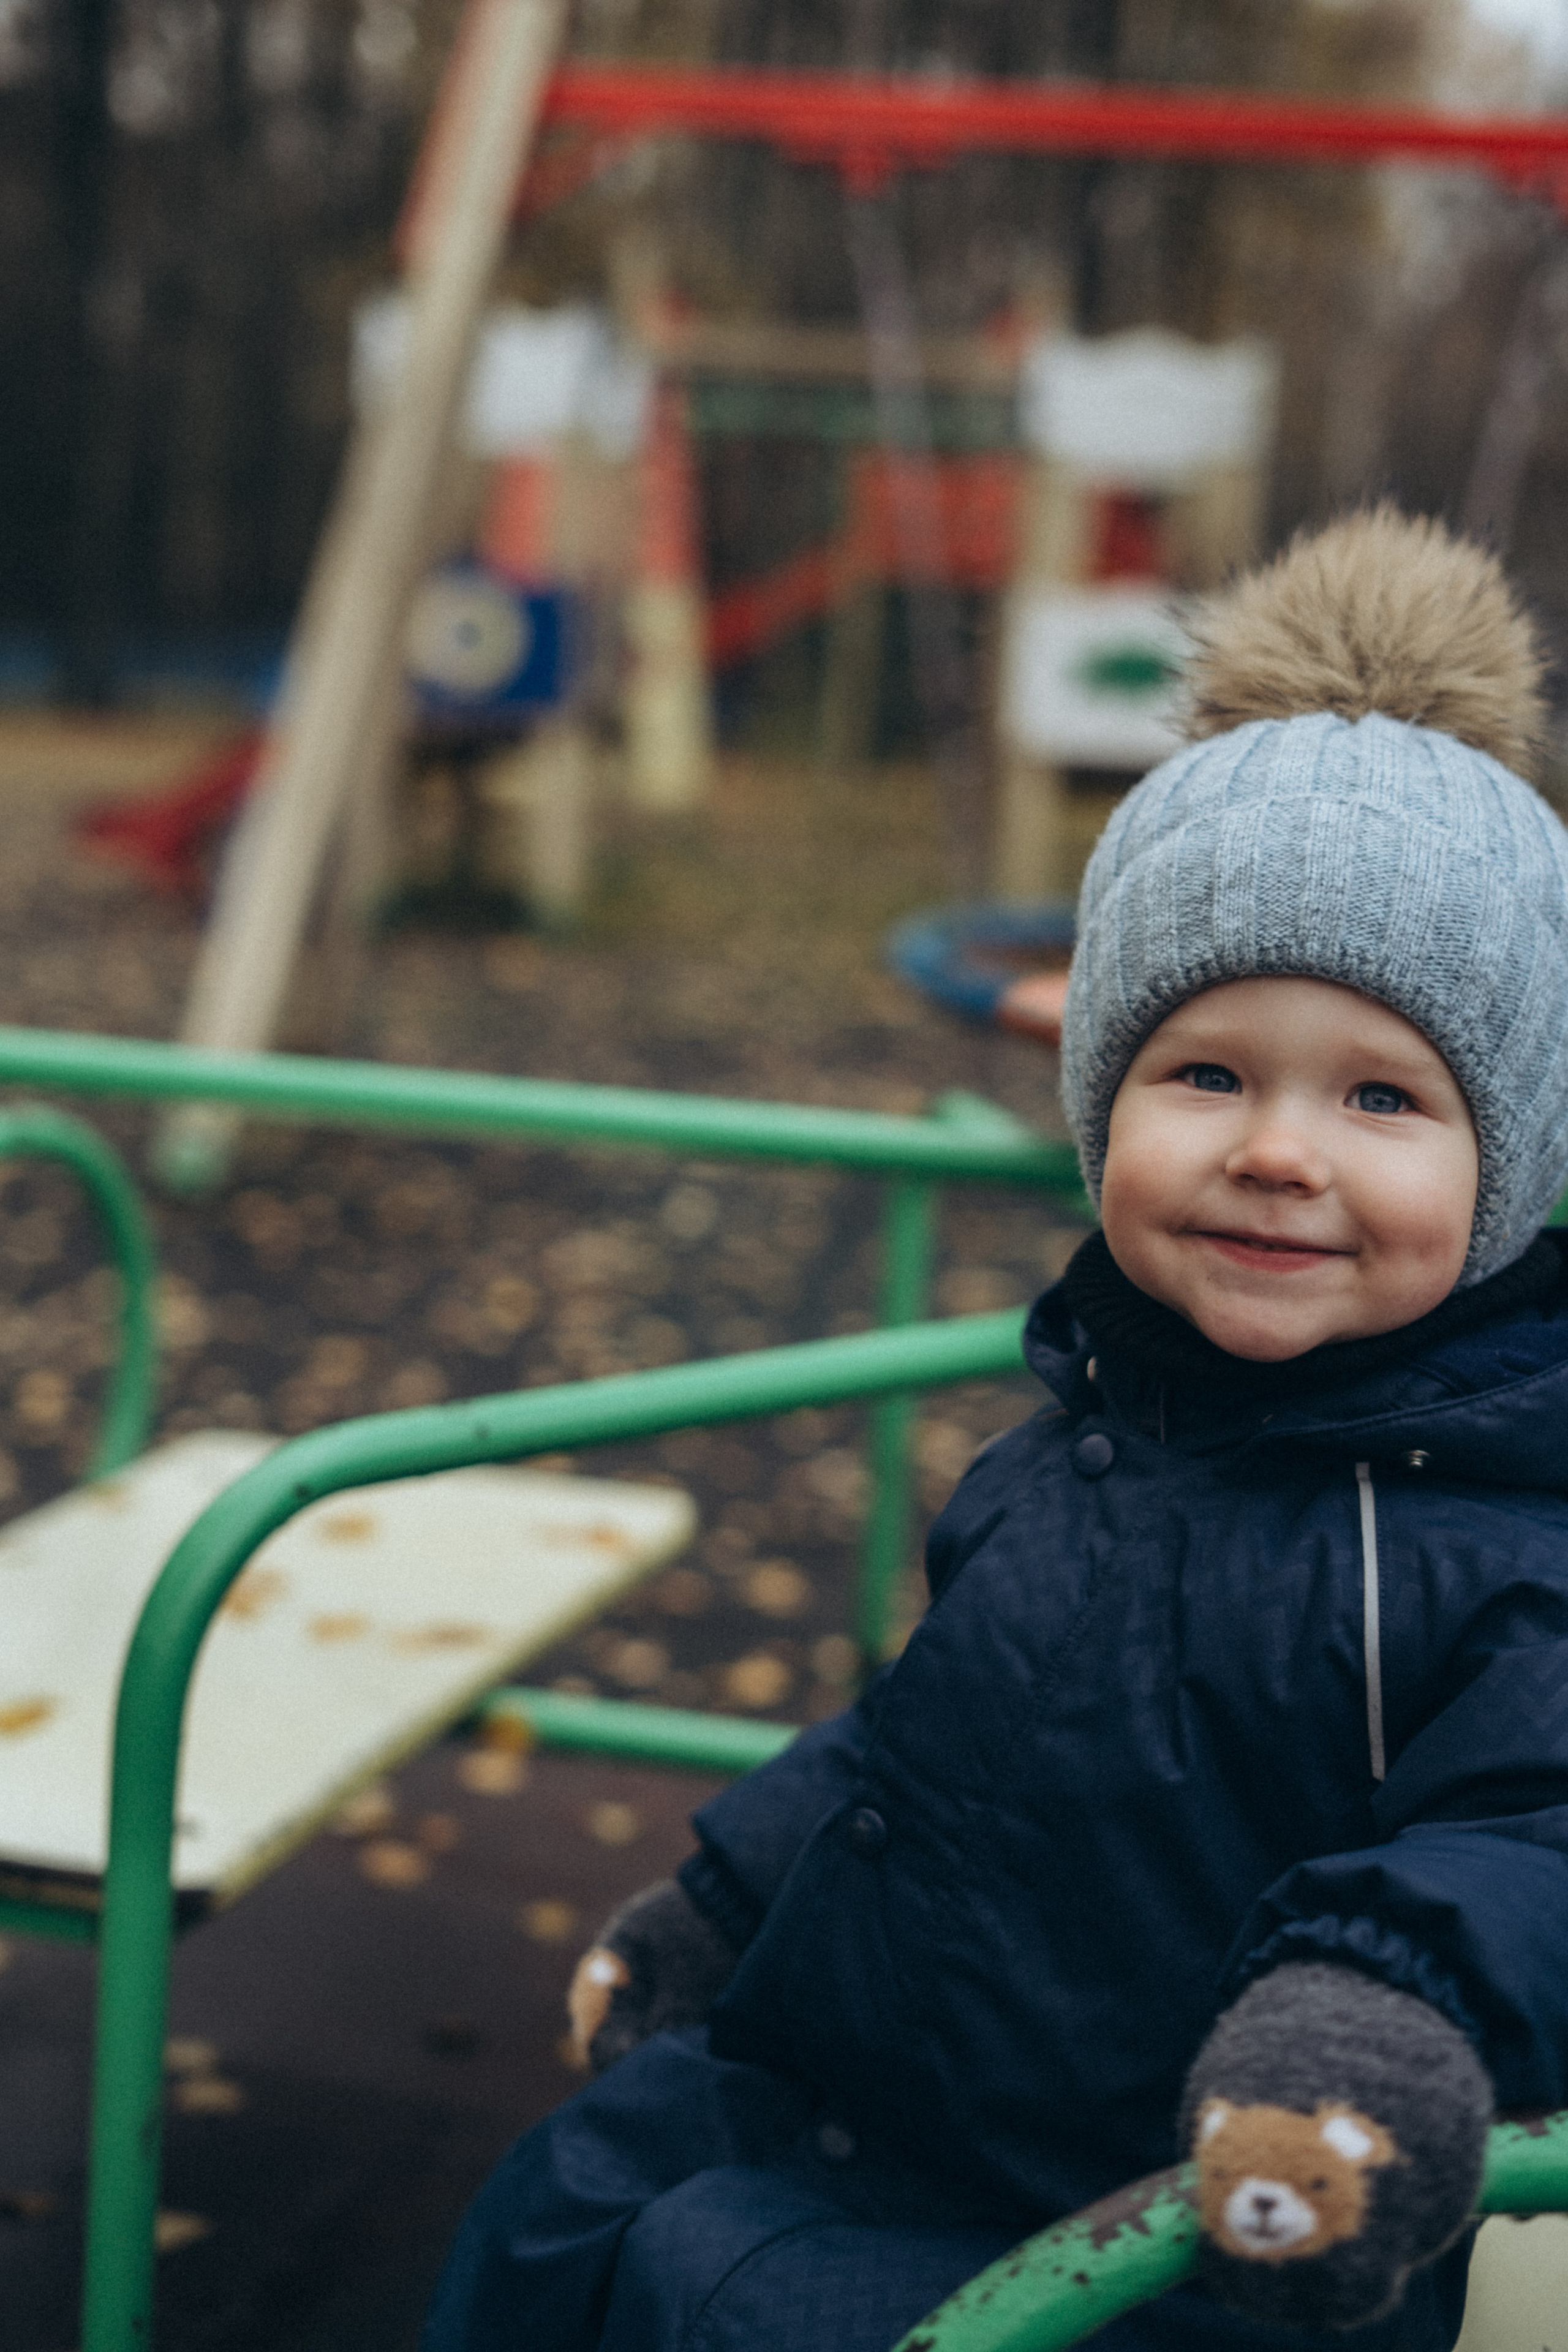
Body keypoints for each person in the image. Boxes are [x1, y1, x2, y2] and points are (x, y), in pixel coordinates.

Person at [422, 507, 1568, 2352]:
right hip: (882, 2103)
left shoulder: (1500, 1535)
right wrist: (731, 1899)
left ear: (1509, 1170)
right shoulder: (1092, 1435)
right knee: (562, 2207)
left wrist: (1369, 2016)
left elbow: (1533, 1836)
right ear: (1103, 1103)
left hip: (1170, 2221)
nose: (1280, 1150)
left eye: (1381, 1097)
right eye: (1207, 1074)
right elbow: (929, 1747)